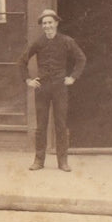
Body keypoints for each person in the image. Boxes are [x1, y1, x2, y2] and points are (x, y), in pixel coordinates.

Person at [17, 9, 86, 171]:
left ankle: (63, 161)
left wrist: (73, 77)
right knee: (41, 125)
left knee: (61, 124)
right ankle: (38, 160)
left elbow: (81, 59)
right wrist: (28, 80)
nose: (47, 26)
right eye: (44, 23)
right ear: (42, 26)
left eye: (50, 22)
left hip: (60, 88)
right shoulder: (38, 43)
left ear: (56, 23)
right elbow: (21, 61)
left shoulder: (66, 41)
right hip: (42, 88)